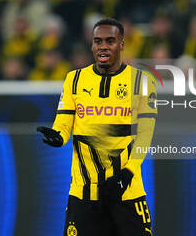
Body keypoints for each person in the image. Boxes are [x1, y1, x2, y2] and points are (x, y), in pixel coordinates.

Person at [37, 18, 156, 236]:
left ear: (121, 44)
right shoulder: (74, 79)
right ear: (92, 45)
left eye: (110, 41)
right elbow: (64, 122)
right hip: (84, 195)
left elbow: (145, 134)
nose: (103, 46)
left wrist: (128, 172)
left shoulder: (142, 81)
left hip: (127, 192)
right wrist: (58, 136)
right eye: (97, 41)